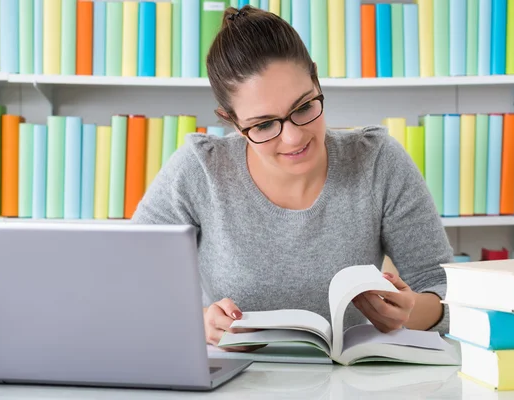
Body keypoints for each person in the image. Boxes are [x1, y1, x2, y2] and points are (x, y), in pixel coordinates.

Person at [132, 6, 453, 352]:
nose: (293, 138)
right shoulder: (200, 171)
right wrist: (201, 321)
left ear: (316, 80)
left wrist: (411, 314)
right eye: (264, 124)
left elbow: (445, 288)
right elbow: (127, 280)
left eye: (303, 108)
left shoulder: (377, 161)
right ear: (233, 122)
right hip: (234, 383)